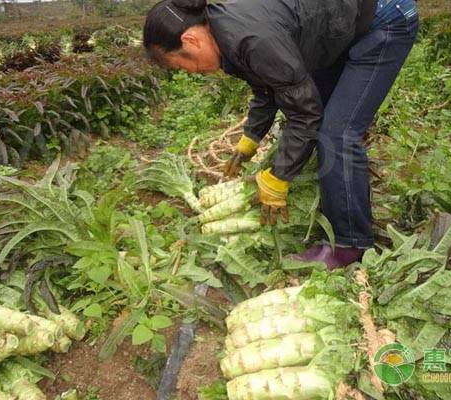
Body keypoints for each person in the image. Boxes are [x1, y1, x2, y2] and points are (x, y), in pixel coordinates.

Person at [143, 0, 419, 269]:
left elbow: (305, 113)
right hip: (344, 24)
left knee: (337, 134)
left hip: (384, 19)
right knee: (321, 116)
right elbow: (268, 84)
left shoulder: (250, 37)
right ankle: (337, 201)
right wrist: (251, 138)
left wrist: (278, 177)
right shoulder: (225, 31)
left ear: (191, 40)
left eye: (181, 65)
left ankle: (351, 244)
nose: (191, 72)